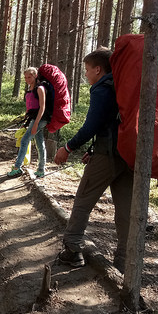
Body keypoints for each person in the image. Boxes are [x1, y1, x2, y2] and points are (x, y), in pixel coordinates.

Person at [54, 47, 134, 273]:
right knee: (125, 211)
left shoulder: (101, 89)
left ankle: (72, 250)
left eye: (87, 70)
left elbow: (92, 125)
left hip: (107, 156)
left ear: (98, 69)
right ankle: (124, 263)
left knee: (82, 202)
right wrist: (92, 147)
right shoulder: (120, 85)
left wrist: (68, 147)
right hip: (127, 156)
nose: (86, 74)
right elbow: (111, 122)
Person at [7, 67, 50, 178]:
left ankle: (17, 167)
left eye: (29, 77)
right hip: (33, 119)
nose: (27, 79)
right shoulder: (29, 89)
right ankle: (41, 170)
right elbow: (29, 108)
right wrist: (26, 121)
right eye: (25, 77)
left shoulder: (40, 88)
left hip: (40, 119)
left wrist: (36, 123)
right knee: (40, 143)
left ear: (35, 76)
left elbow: (42, 107)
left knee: (25, 140)